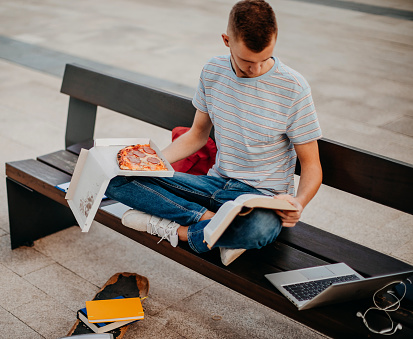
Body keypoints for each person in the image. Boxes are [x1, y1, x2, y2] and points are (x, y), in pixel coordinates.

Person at [105, 0, 322, 265]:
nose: (254, 69)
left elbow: (312, 164)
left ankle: (180, 231)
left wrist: (299, 203)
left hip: (260, 200)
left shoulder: (293, 88)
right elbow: (197, 135)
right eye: (246, 60)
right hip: (214, 185)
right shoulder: (213, 71)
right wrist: (151, 163)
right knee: (114, 178)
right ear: (226, 40)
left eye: (264, 59)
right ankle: (213, 224)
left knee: (260, 231)